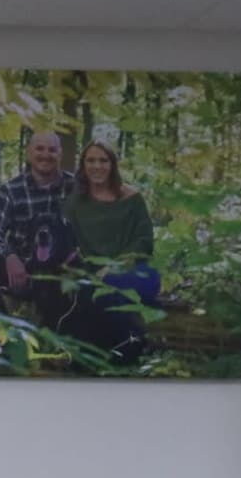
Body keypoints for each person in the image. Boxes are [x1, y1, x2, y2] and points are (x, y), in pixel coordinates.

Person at [55, 136, 164, 361]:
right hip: (92, 274)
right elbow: (66, 242)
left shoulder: (132, 198)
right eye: (91, 161)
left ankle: (130, 350)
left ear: (112, 165)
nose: (97, 166)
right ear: (83, 166)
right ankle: (102, 357)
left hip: (136, 271)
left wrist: (115, 267)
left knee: (109, 287)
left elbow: (143, 241)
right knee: (89, 295)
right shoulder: (74, 203)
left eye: (103, 161)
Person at [0, 130, 74, 316]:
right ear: (29, 152)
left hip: (63, 271)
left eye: (52, 150)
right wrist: (9, 256)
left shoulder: (75, 187)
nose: (45, 155)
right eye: (39, 148)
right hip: (21, 269)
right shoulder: (12, 190)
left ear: (60, 154)